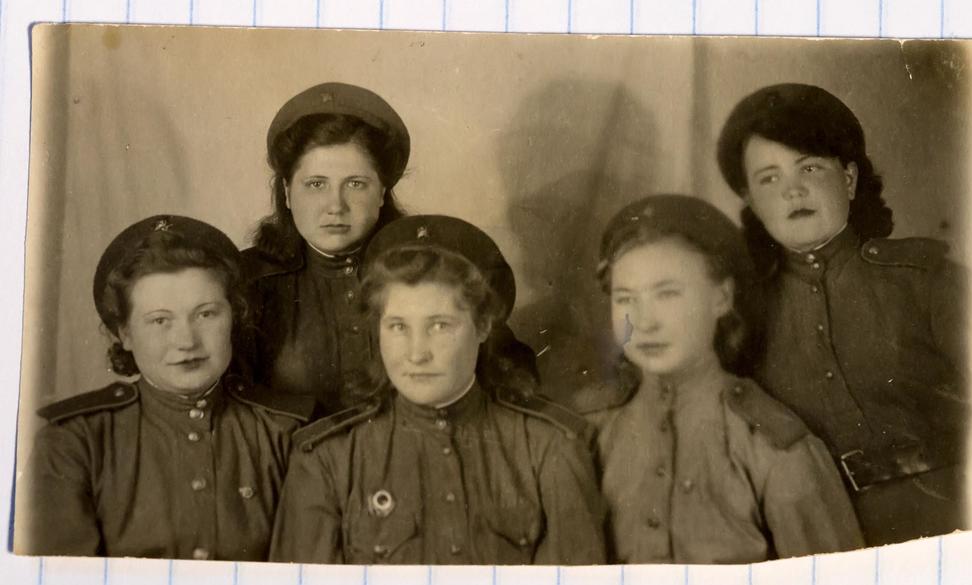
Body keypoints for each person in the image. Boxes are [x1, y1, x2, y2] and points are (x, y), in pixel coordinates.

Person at [270, 215, 606, 565]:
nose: (417, 353)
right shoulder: (328, 459)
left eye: (440, 326)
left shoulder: (550, 449)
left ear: (483, 326)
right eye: (398, 326)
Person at [716, 83, 969, 546]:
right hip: (818, 538)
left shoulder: (926, 280)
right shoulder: (742, 312)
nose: (793, 190)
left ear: (849, 180)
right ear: (752, 202)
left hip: (951, 518)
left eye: (809, 167)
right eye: (769, 179)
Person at [570, 195, 863, 564]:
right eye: (625, 299)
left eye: (668, 294)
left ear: (722, 297)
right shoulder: (586, 434)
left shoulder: (774, 446)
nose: (644, 322)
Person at [16, 215, 313, 560]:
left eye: (206, 314)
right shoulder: (75, 443)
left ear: (234, 316)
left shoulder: (285, 432)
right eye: (160, 320)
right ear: (124, 333)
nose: (186, 341)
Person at [243, 82, 536, 414]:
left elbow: (508, 379)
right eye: (316, 184)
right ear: (286, 192)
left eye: (356, 184)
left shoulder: (431, 268)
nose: (335, 205)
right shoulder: (250, 284)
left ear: (382, 192)